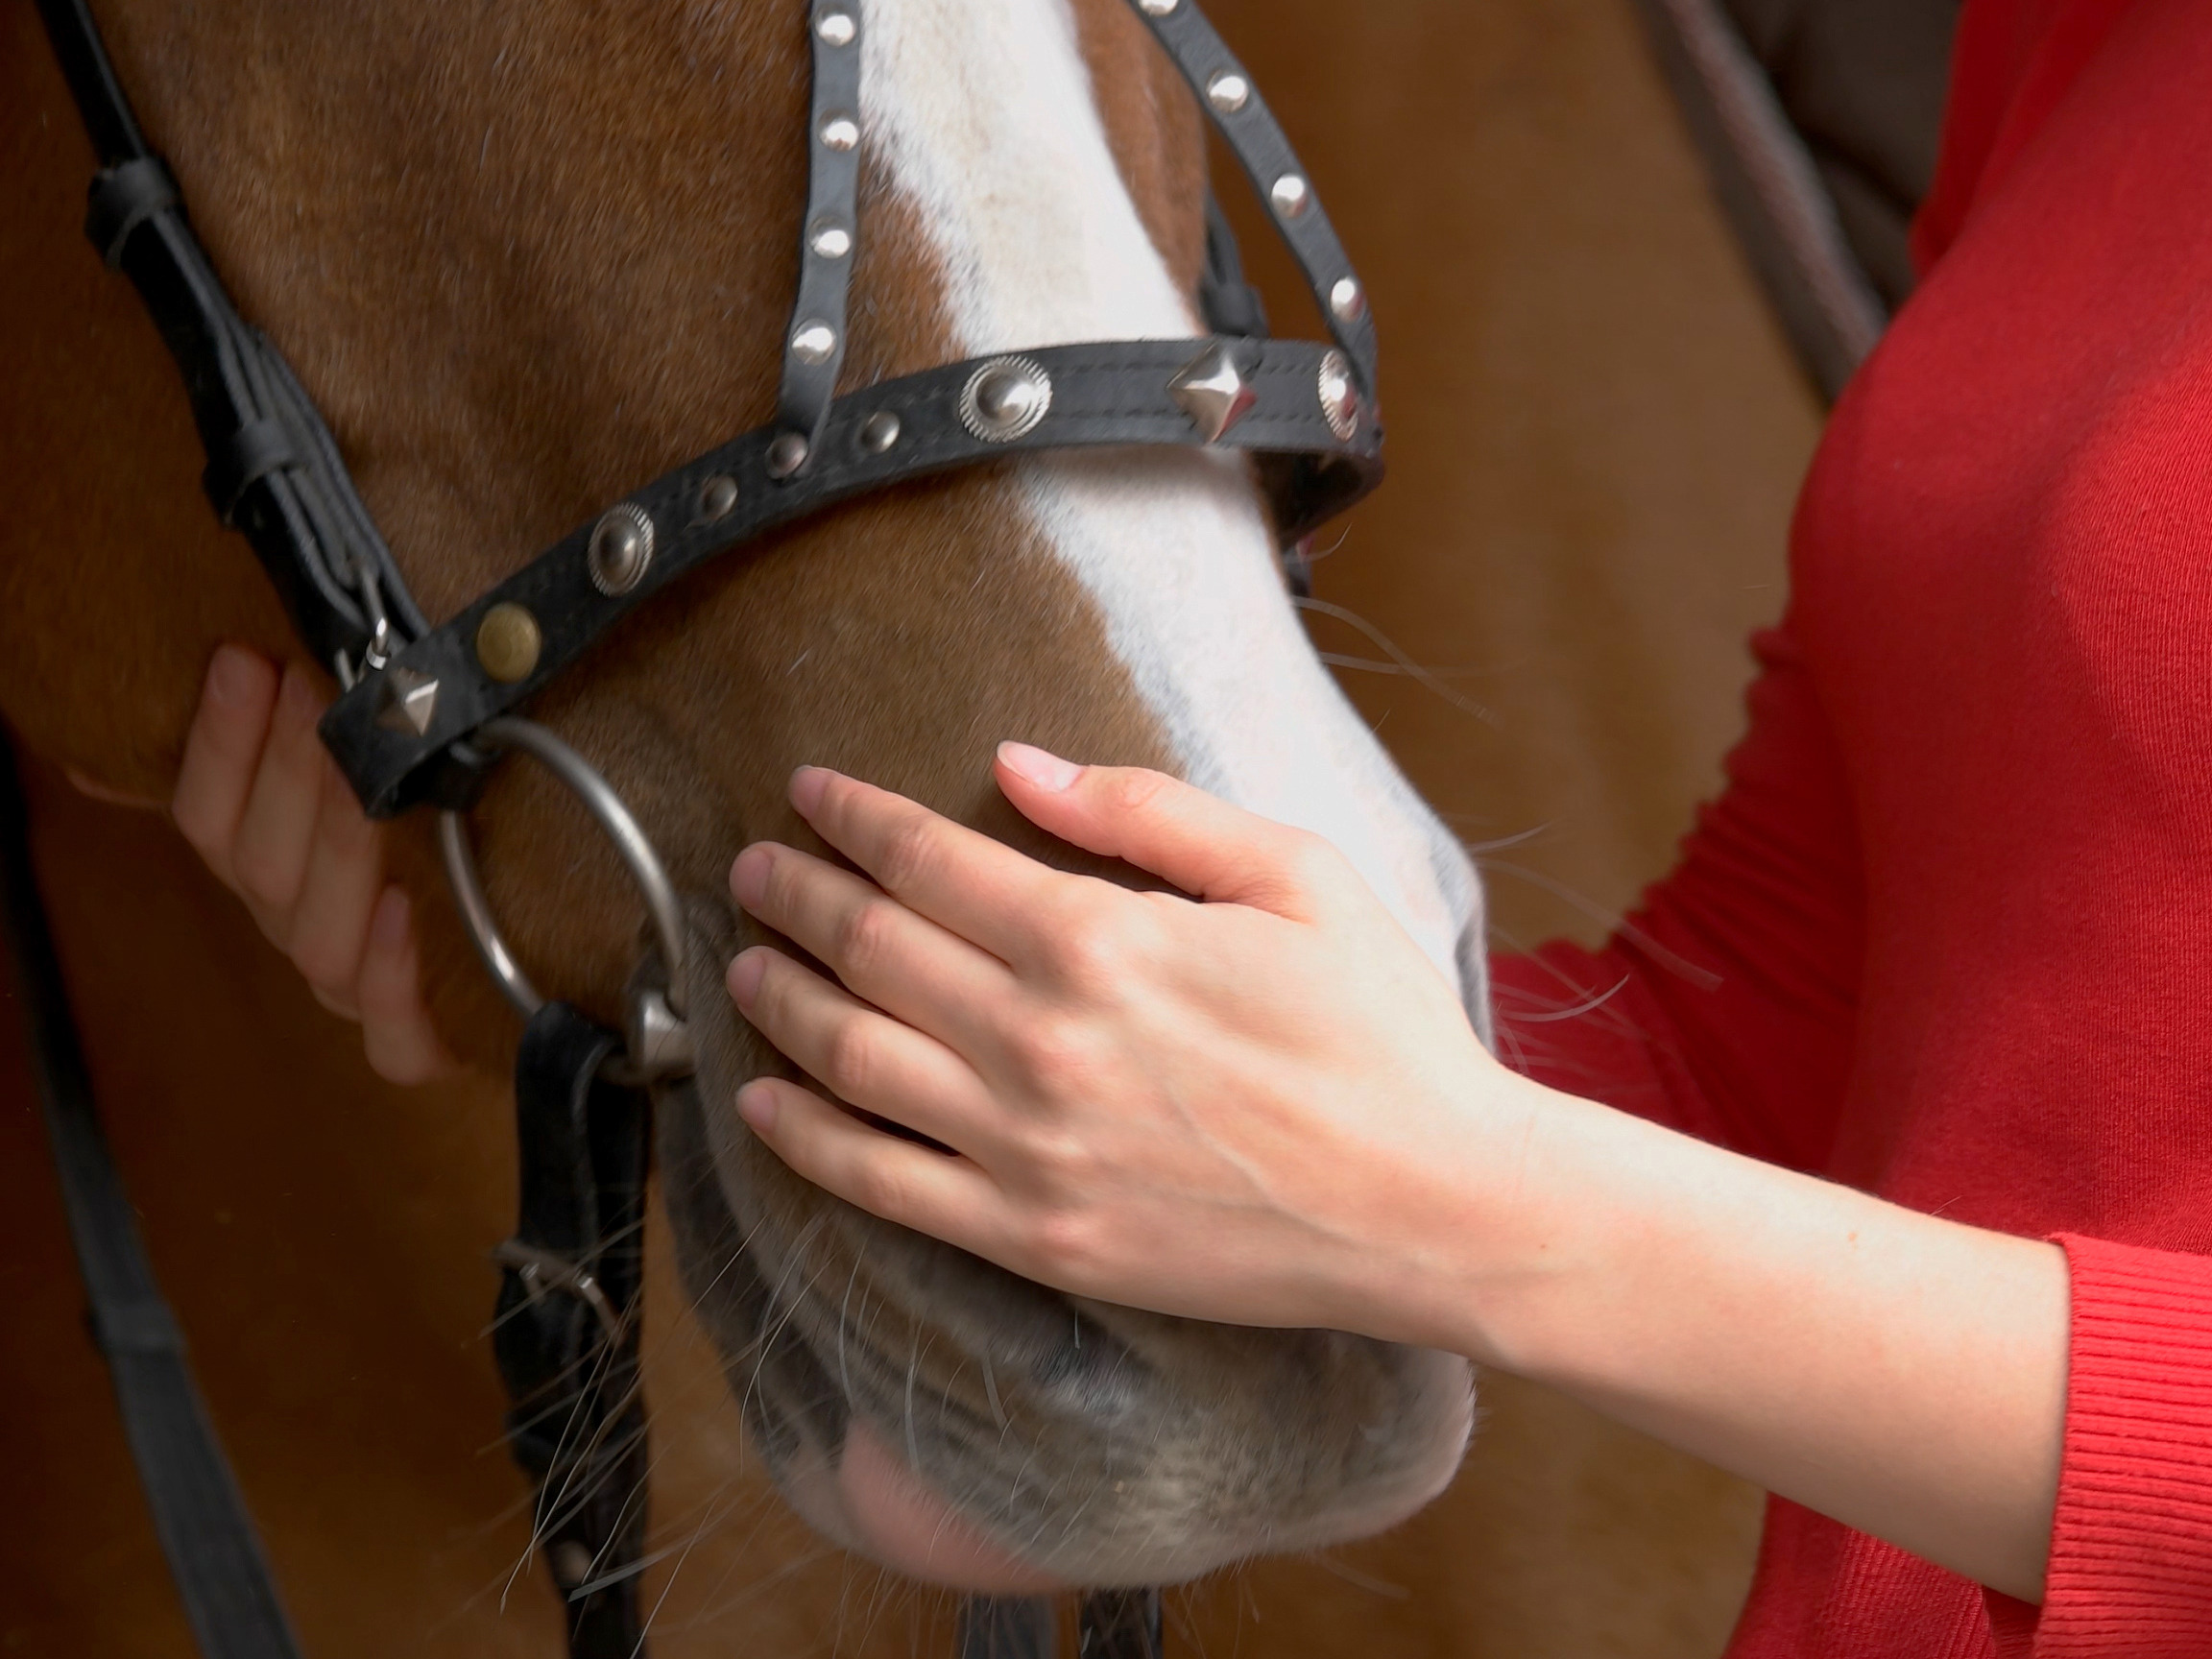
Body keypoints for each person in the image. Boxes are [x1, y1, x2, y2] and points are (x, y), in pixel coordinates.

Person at [136, 0, 2212, 1650]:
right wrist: (764, 1001)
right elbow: (1787, 1028)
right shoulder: (2073, 49)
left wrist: (1469, 1212)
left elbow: (1503, 1187)